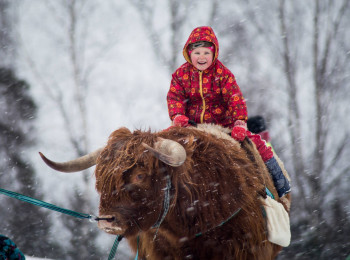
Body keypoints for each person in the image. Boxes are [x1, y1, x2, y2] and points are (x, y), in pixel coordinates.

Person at [166, 26, 290, 198]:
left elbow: (235, 98)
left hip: (221, 125)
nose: (201, 57)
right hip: (190, 125)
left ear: (214, 53)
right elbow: (175, 96)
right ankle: (161, 189)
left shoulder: (223, 75)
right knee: (163, 141)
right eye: (197, 53)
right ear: (189, 53)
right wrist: (177, 115)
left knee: (255, 143)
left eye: (206, 53)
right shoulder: (181, 75)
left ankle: (279, 182)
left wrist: (239, 122)